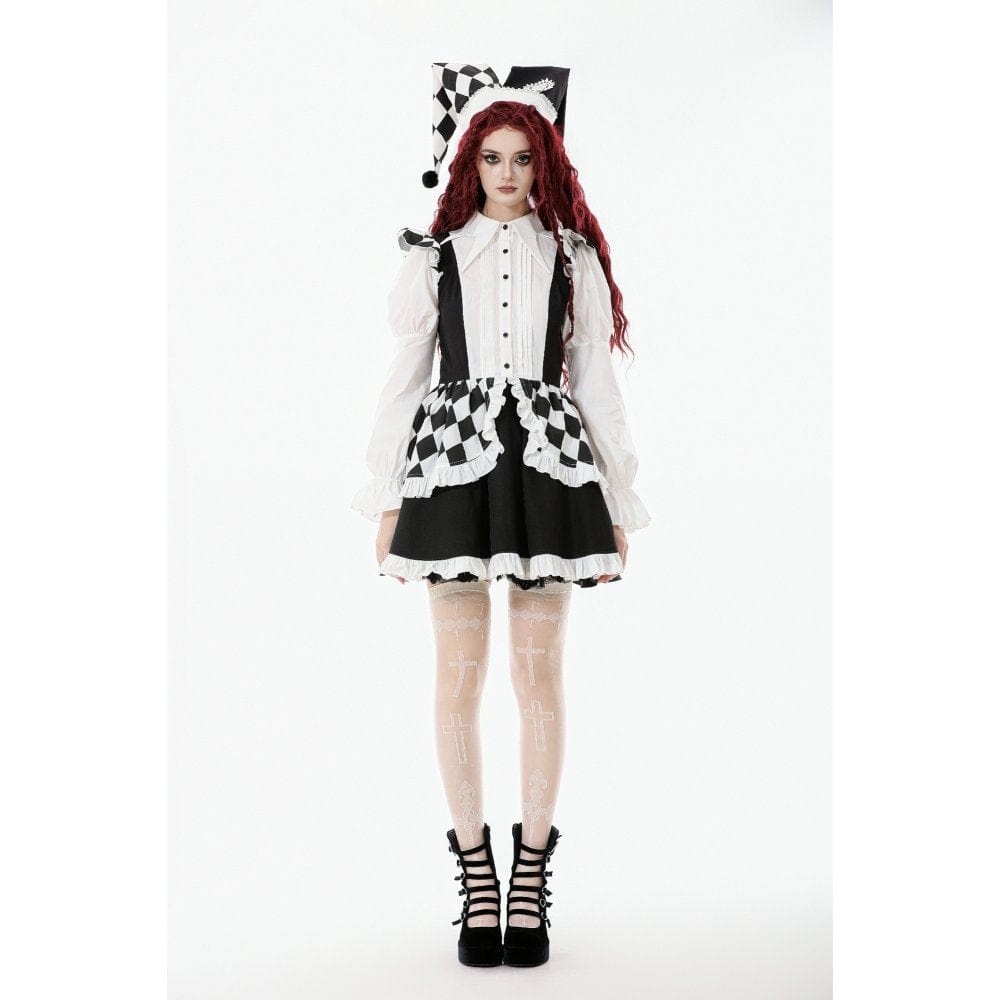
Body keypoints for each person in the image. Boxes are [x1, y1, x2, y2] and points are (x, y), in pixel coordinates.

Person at [350, 64, 651, 968]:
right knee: (457, 678)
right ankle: (476, 873)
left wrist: (617, 494)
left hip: (549, 470)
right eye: (493, 158)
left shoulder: (573, 258)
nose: (508, 174)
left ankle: (530, 875)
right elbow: (404, 380)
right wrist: (388, 492)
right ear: (469, 164)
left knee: (538, 677)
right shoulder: (434, 258)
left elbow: (594, 382)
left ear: (544, 162)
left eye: (523, 158)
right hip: (452, 468)